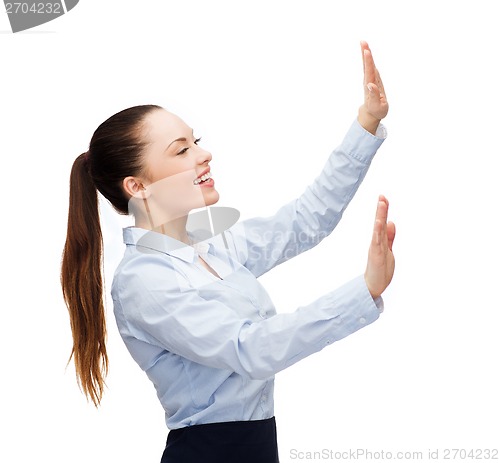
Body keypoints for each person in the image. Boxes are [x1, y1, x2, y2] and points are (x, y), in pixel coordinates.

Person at [61, 41, 395, 463]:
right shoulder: (143, 281)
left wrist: (367, 122)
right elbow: (249, 349)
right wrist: (364, 290)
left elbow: (305, 221)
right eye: (181, 150)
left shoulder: (209, 245)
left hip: (257, 449)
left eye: (195, 141)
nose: (204, 154)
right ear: (138, 186)